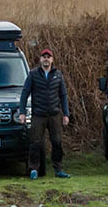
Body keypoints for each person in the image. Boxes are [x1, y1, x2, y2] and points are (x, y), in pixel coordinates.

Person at [17, 48, 70, 179]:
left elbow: (63, 95)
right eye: (44, 57)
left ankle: (58, 170)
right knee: (35, 143)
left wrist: (66, 114)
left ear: (52, 60)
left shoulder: (58, 75)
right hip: (38, 115)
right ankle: (34, 169)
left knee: (57, 143)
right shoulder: (33, 74)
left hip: (54, 115)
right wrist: (22, 112)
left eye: (48, 57)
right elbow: (24, 94)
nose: (46, 59)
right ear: (40, 59)